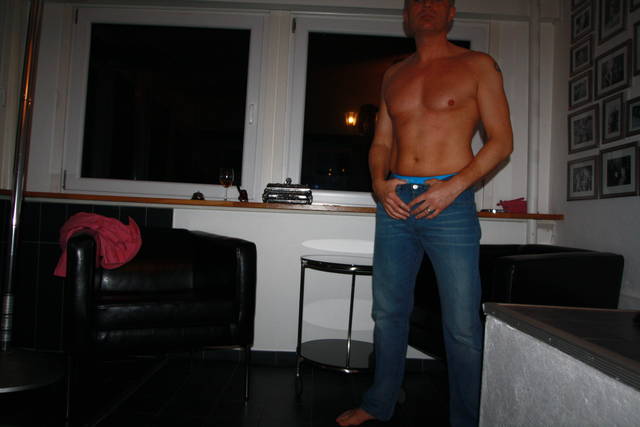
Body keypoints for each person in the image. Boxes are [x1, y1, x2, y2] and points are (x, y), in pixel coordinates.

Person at [336, 0, 513, 426]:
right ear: (406, 16)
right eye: (417, 0)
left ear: (452, 13)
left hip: (449, 201)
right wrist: (378, 184)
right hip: (395, 202)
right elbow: (381, 143)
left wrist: (453, 187)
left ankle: (467, 420)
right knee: (387, 313)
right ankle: (379, 403)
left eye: (437, 0)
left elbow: (501, 142)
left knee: (462, 325)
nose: (426, 5)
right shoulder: (393, 74)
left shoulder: (478, 65)